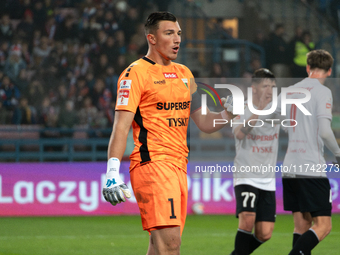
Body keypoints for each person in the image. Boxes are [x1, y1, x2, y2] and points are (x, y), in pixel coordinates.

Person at [102, 11, 235, 255]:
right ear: (152, 38)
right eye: (170, 33)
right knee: (171, 244)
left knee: (160, 246)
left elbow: (204, 122)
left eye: (179, 34)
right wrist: (112, 170)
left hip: (179, 166)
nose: (177, 39)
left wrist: (227, 115)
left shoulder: (185, 74)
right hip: (152, 164)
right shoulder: (135, 74)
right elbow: (121, 125)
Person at [266, 49, 340, 255]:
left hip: (290, 167)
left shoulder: (288, 91)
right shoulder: (323, 92)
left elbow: (276, 121)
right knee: (324, 226)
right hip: (311, 167)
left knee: (301, 227)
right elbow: (325, 131)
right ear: (329, 71)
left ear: (308, 68)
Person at [230, 69, 279, 255]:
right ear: (255, 89)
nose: (270, 90)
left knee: (265, 233)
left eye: (273, 87)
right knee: (247, 220)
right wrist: (258, 110)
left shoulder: (277, 110)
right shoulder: (241, 108)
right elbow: (240, 133)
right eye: (266, 86)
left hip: (268, 179)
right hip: (246, 175)